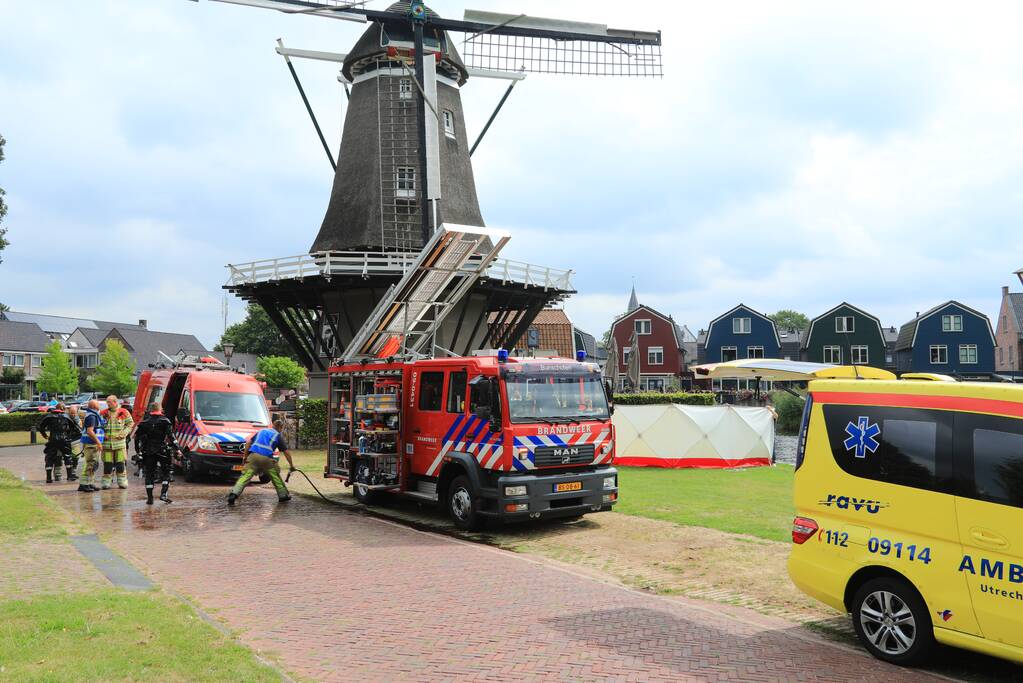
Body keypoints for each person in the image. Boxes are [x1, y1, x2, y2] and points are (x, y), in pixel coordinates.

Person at [227, 419, 294, 506]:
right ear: (280, 428)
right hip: (267, 459)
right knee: (275, 475)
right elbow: (286, 452)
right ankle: (283, 495)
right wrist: (291, 465)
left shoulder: (261, 431)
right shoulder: (277, 436)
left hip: (253, 457)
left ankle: (234, 494)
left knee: (245, 476)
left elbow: (248, 443)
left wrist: (245, 457)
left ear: (273, 425)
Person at [133, 402, 180, 505]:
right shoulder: (165, 421)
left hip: (148, 450)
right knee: (166, 472)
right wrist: (177, 449)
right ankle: (163, 494)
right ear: (161, 409)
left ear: (150, 410)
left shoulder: (144, 422)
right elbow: (171, 437)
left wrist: (138, 451)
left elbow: (136, 437)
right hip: (162, 449)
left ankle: (150, 498)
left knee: (149, 474)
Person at [38, 403, 81, 483]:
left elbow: (41, 427)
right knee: (67, 456)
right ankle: (69, 476)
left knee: (50, 457)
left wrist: (45, 435)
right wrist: (68, 435)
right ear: (64, 409)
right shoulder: (66, 416)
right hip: (64, 439)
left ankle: (49, 478)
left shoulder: (48, 416)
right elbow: (76, 429)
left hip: (53, 439)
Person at [100, 395, 134, 490]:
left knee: (120, 464)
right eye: (107, 402)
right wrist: (102, 434)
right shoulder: (103, 413)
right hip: (107, 445)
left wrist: (124, 433)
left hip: (119, 444)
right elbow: (98, 426)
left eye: (109, 402)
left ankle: (122, 482)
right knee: (107, 464)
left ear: (115, 402)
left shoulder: (124, 412)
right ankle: (106, 482)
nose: (108, 404)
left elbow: (130, 424)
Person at [78, 399, 104, 493]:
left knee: (93, 464)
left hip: (91, 443)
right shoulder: (92, 416)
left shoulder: (91, 415)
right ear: (94, 406)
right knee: (90, 464)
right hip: (91, 444)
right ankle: (84, 484)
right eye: (98, 404)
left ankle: (89, 483)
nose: (99, 406)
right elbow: (90, 431)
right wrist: (98, 442)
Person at [65, 405, 82, 480]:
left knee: (76, 457)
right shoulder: (65, 419)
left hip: (76, 440)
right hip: (67, 441)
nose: (73, 414)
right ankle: (68, 474)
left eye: (74, 413)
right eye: (71, 413)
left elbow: (81, 430)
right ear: (69, 412)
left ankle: (74, 472)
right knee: (67, 458)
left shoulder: (78, 420)